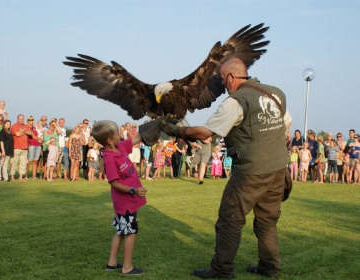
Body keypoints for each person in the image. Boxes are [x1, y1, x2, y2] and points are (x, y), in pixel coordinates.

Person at [160, 58, 292, 279]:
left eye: (222, 80)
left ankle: (221, 270)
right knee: (267, 221)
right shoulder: (274, 93)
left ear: (231, 77)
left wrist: (177, 131)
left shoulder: (236, 101)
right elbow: (286, 123)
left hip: (252, 171)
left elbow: (205, 134)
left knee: (230, 220)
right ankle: (269, 268)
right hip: (279, 168)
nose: (221, 86)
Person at [91, 120, 147, 275]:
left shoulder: (120, 147)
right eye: (117, 133)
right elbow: (113, 183)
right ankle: (127, 267)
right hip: (124, 202)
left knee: (121, 231)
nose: (120, 135)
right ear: (109, 140)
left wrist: (153, 126)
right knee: (131, 231)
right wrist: (133, 190)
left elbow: (137, 139)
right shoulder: (109, 158)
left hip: (127, 201)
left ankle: (112, 263)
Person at [10, 114, 32, 181]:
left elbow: (30, 133)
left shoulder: (26, 126)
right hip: (17, 147)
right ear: (17, 119)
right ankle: (12, 176)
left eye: (22, 119)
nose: (21, 120)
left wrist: (24, 131)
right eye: (20, 119)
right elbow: (17, 134)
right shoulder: (14, 126)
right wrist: (25, 132)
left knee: (23, 163)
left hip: (25, 147)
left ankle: (21, 176)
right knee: (14, 162)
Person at [25, 116, 42, 180]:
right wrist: (39, 138)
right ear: (27, 121)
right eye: (30, 120)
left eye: (32, 120)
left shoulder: (34, 127)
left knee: (35, 161)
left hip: (37, 144)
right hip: (31, 144)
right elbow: (33, 136)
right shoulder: (26, 127)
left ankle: (34, 176)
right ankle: (25, 176)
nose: (31, 121)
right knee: (29, 161)